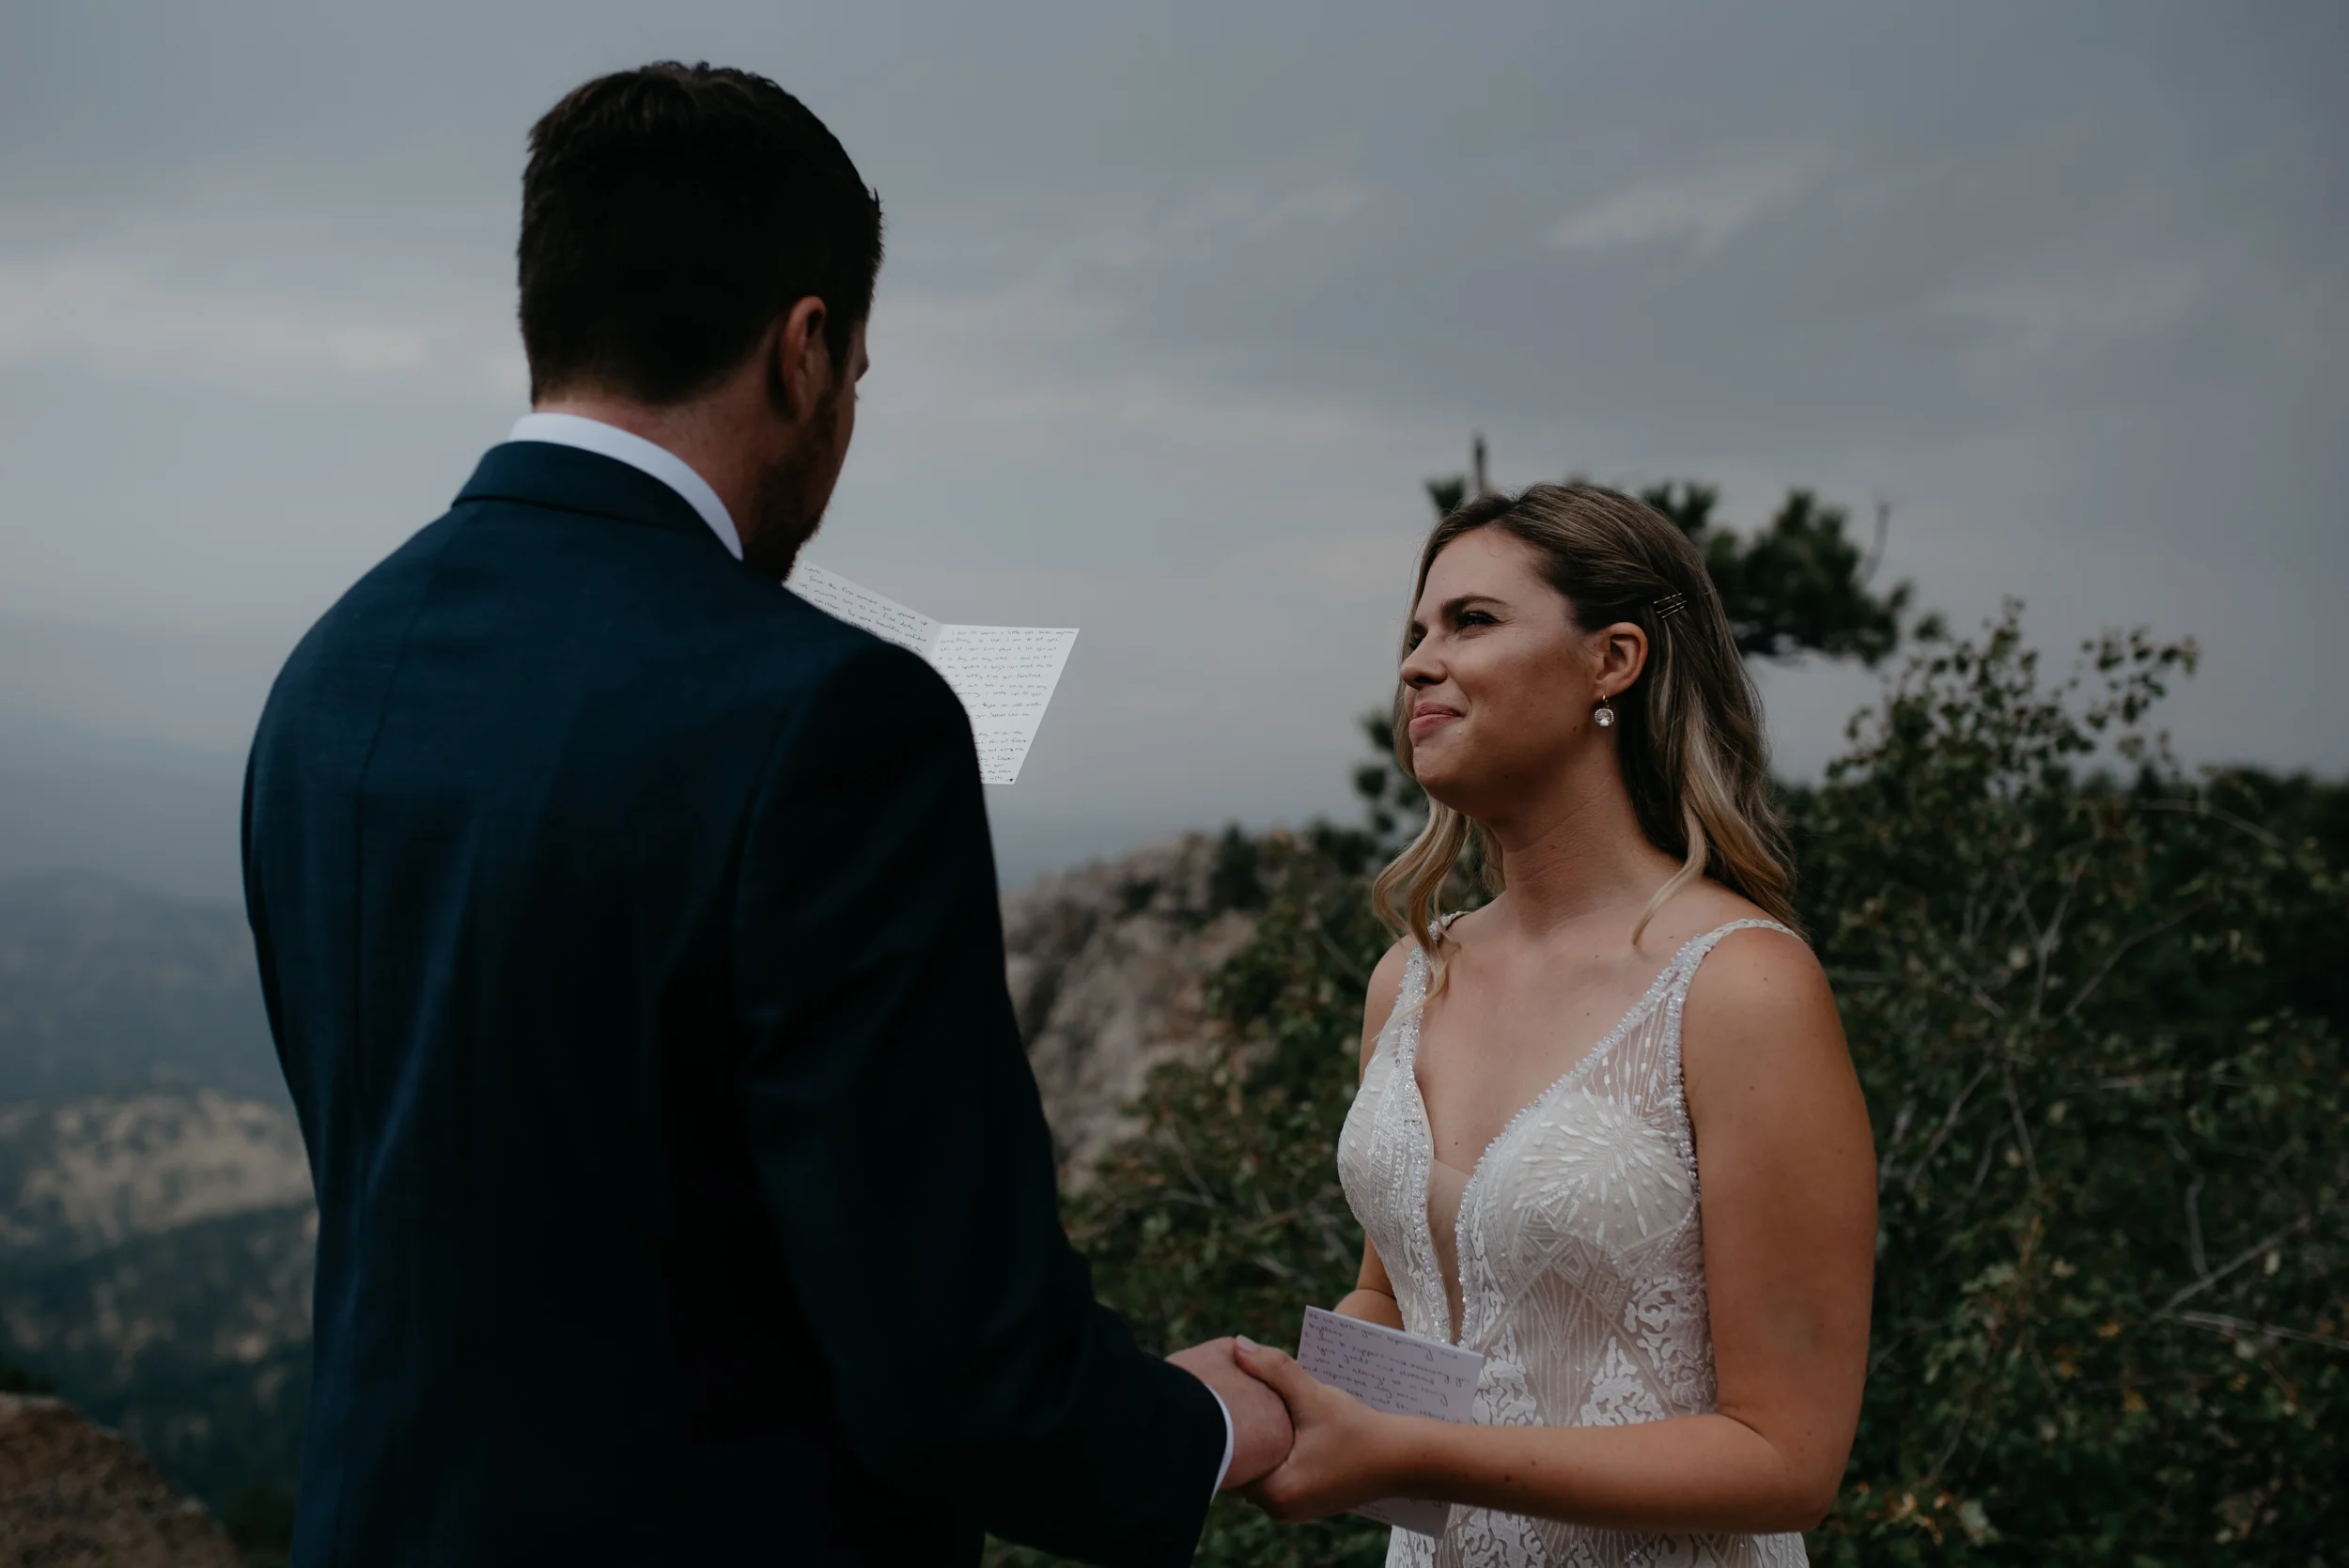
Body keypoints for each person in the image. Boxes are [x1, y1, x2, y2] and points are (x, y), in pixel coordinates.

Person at [241, 63, 1288, 1567]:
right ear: (805, 350)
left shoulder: (334, 667)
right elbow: (957, 1366)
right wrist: (1198, 1429)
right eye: (858, 376)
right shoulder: (834, 718)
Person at [1229, 484, 1876, 1564]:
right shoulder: (1409, 980)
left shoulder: (1738, 987)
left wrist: (1415, 1456)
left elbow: (1789, 1460)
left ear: (1611, 661)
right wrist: (1246, 1404)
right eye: (1415, 632)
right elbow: (1400, 1298)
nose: (1416, 662)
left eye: (1470, 622)